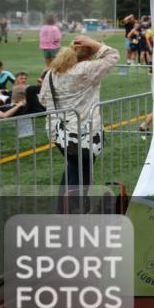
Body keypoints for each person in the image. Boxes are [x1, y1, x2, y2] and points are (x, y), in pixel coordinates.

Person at [39, 36, 119, 212]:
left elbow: (43, 99)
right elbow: (113, 55)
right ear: (89, 56)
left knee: (73, 167)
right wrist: (93, 42)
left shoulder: (54, 71)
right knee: (82, 173)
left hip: (57, 130)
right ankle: (72, 211)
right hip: (82, 132)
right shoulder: (85, 69)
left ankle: (67, 208)